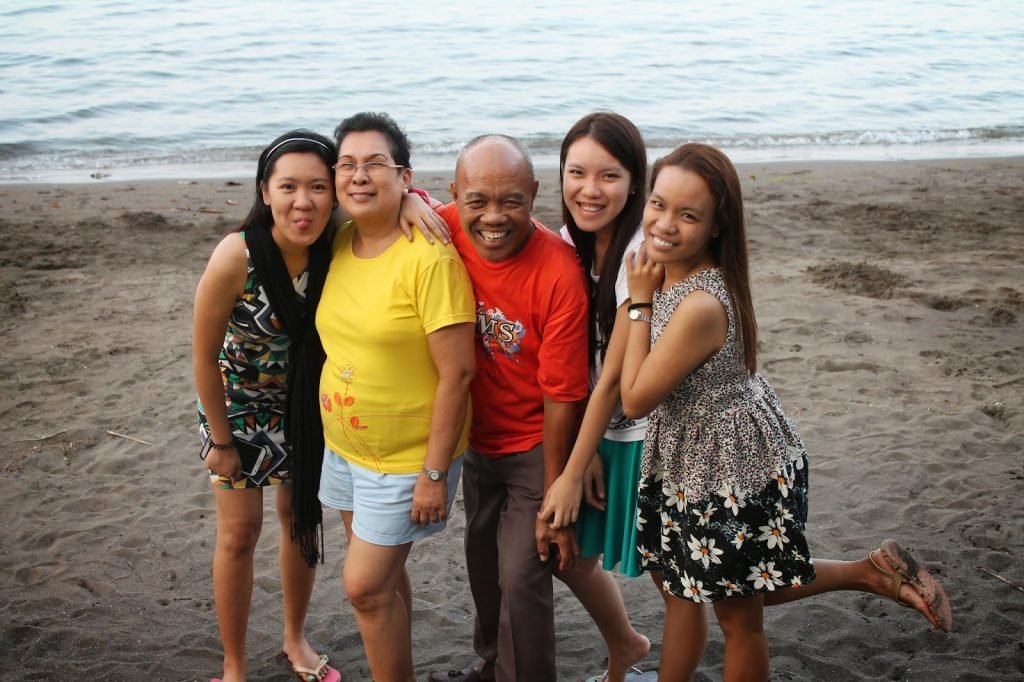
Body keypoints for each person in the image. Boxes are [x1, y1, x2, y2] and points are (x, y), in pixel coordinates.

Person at [618, 143, 953, 680]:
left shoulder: (699, 304)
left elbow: (634, 397)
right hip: (687, 462)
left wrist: (637, 302)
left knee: (739, 614)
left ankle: (869, 575)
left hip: (728, 470)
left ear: (717, 224)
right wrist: (643, 293)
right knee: (700, 590)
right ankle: (869, 572)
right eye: (657, 205)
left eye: (688, 214)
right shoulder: (669, 275)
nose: (665, 223)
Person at [315, 112, 476, 682]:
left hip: (408, 458)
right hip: (345, 446)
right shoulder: (337, 237)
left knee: (362, 586)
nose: (359, 176)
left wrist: (434, 473)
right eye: (347, 165)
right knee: (382, 583)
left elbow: (457, 375)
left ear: (404, 176)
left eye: (375, 165)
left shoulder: (428, 256)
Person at [192, 130, 342, 682]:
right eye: (289, 187)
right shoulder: (237, 254)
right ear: (265, 190)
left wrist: (420, 205)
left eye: (318, 187)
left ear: (334, 193)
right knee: (239, 532)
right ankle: (234, 666)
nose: (303, 202)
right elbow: (205, 358)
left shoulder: (339, 242)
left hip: (307, 409)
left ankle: (295, 641)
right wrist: (222, 440)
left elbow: (396, 204)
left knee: (300, 520)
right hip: (237, 409)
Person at [532, 111, 655, 682]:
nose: (589, 189)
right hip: (600, 426)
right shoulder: (567, 246)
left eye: (608, 176)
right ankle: (626, 645)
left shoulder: (640, 258)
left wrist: (577, 466)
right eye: (575, 172)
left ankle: (865, 574)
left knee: (676, 576)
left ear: (635, 182)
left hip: (647, 436)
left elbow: (614, 379)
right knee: (570, 554)